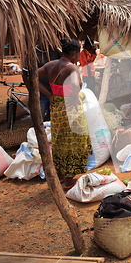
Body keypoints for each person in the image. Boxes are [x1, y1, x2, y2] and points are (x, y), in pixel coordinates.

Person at [38, 38, 92, 191]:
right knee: (73, 143)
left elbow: (31, 76)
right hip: (71, 110)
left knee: (59, 142)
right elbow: (75, 85)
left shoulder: (50, 65)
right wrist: (75, 98)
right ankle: (69, 181)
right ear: (74, 53)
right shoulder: (71, 68)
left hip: (56, 110)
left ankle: (61, 176)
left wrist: (49, 95)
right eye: (78, 53)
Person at [22, 45, 61, 121]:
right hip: (40, 94)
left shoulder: (56, 52)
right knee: (40, 120)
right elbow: (25, 74)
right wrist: (31, 91)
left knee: (53, 121)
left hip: (54, 93)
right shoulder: (32, 53)